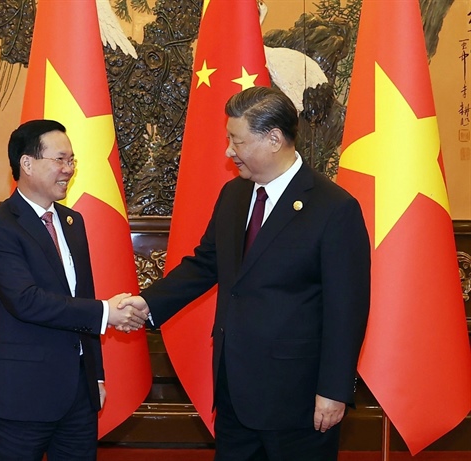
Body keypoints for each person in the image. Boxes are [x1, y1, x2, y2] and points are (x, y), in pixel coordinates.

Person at [120, 87, 371, 461]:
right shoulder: (235, 195)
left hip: (298, 398)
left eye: (236, 140)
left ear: (273, 139)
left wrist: (334, 390)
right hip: (234, 387)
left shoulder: (333, 208)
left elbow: (346, 309)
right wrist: (146, 304)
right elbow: (206, 264)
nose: (228, 150)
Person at [0, 119, 147, 461]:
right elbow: (26, 302)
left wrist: (96, 376)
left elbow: (81, 297)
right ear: (27, 163)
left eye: (72, 161)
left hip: (78, 398)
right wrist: (106, 312)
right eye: (60, 159)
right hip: (23, 397)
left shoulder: (72, 222)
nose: (69, 169)